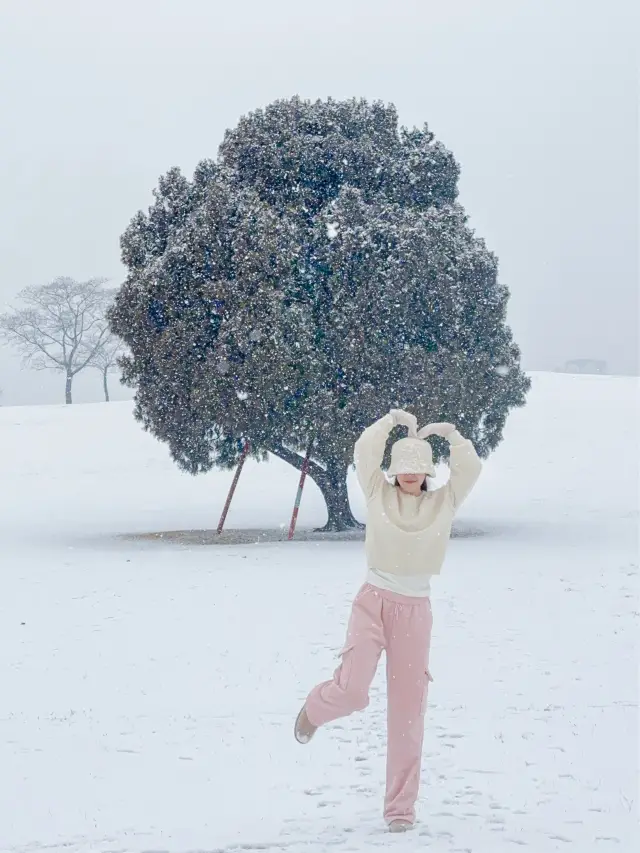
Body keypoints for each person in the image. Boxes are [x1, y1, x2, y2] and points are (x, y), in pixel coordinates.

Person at [294, 408, 482, 832]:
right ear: (394, 470)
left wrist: (451, 434)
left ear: (428, 472)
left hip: (416, 611)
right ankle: (316, 707)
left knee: (408, 715)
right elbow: (364, 450)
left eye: (418, 468)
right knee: (353, 691)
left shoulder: (443, 501)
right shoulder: (377, 492)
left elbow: (471, 467)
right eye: (404, 467)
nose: (411, 475)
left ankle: (400, 809)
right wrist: (391, 421)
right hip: (374, 601)